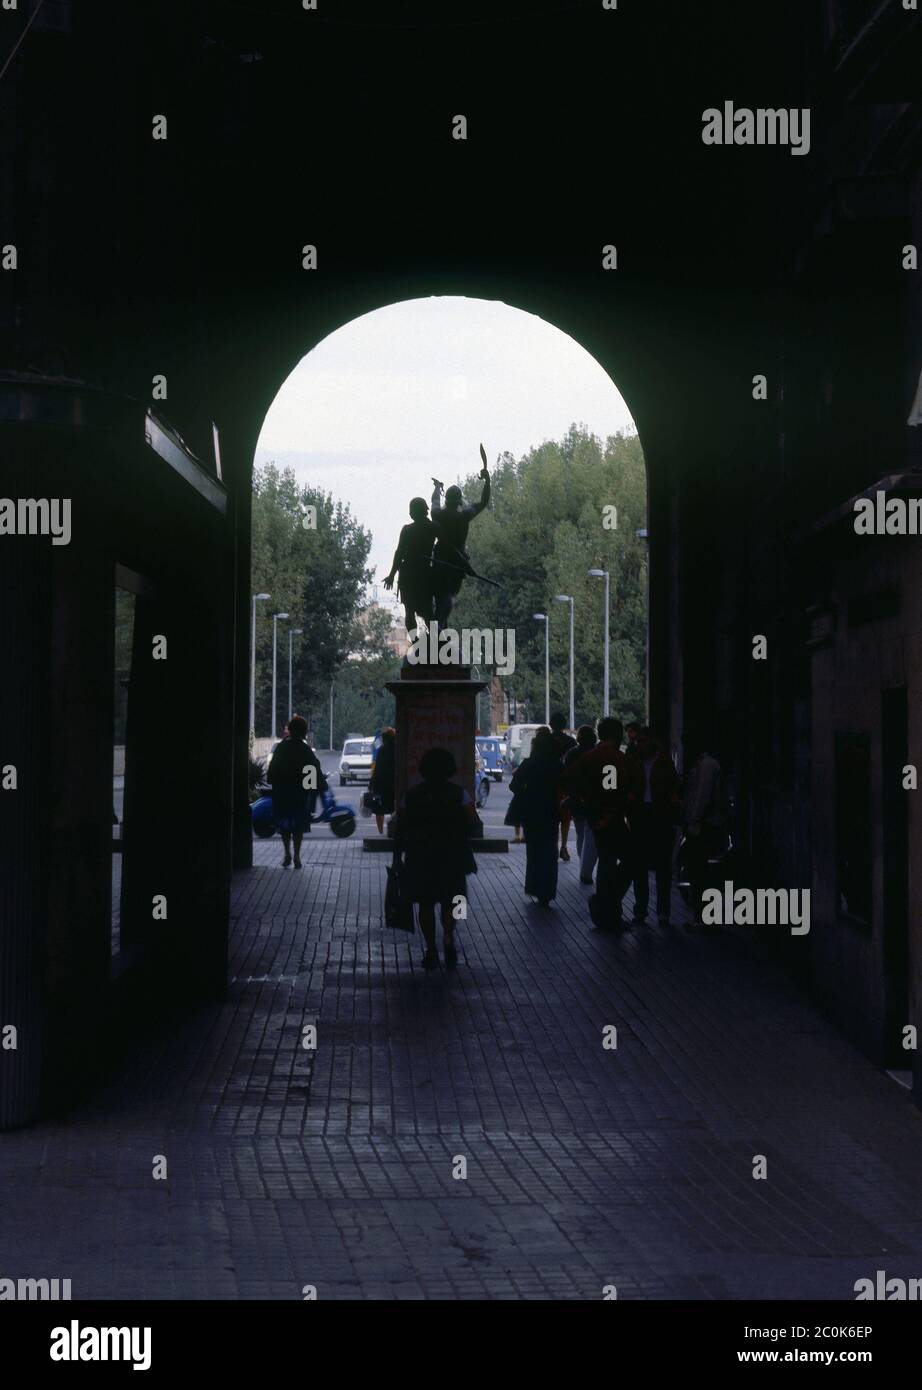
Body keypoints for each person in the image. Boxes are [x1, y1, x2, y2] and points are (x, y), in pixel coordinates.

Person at [394, 747, 477, 969]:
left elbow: (400, 828)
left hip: (421, 856)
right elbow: (473, 823)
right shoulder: (461, 794)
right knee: (456, 899)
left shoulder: (410, 796)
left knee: (425, 902)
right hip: (453, 855)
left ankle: (430, 948)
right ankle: (449, 933)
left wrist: (397, 858)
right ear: (450, 769)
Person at [561, 716, 641, 930]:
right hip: (611, 819)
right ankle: (608, 904)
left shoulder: (590, 757)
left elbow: (569, 778)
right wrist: (609, 810)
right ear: (617, 735)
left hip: (597, 819)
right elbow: (611, 790)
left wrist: (584, 801)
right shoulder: (613, 758)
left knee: (606, 862)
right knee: (630, 859)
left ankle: (607, 910)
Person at [626, 727, 681, 926]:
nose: (639, 745)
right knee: (640, 866)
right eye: (637, 742)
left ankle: (662, 911)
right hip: (641, 815)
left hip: (660, 816)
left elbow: (675, 789)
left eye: (642, 741)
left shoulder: (664, 763)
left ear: (652, 741)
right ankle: (641, 910)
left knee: (663, 867)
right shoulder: (635, 762)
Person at [430, 450, 491, 627]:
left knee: (440, 597)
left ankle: (439, 626)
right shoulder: (463, 516)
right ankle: (440, 627)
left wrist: (436, 488)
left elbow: (434, 501)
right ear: (459, 501)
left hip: (439, 561)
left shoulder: (437, 515)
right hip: (457, 565)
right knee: (449, 596)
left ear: (446, 500)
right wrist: (487, 481)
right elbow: (483, 502)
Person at [509, 726, 562, 906]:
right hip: (552, 812)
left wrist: (526, 792)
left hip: (531, 813)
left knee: (534, 852)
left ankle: (534, 887)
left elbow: (513, 786)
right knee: (550, 851)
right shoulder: (557, 766)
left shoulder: (529, 764)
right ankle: (547, 891)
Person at [266, 714, 327, 869]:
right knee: (298, 826)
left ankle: (287, 853)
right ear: (303, 732)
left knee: (285, 824)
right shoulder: (305, 749)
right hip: (300, 794)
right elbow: (313, 769)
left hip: (282, 793)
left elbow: (272, 771)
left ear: (290, 730)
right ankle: (297, 856)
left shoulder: (281, 747)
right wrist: (317, 787)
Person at [682, 731, 727, 925]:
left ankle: (706, 918)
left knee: (701, 873)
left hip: (704, 826)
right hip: (706, 824)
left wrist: (693, 820)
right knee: (702, 873)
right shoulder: (705, 762)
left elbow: (702, 795)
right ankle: (705, 917)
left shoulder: (706, 764)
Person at [382, 498, 437, 639]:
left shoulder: (407, 530)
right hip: (425, 574)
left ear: (413, 512)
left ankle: (417, 643)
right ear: (425, 511)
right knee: (427, 611)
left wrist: (392, 575)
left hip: (408, 575)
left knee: (410, 610)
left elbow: (399, 553)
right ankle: (436, 641)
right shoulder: (432, 528)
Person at [562, 724, 598, 884]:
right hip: (597, 801)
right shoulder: (599, 754)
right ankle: (587, 869)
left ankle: (583, 863)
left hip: (577, 800)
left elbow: (566, 776)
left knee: (581, 832)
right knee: (592, 835)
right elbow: (610, 782)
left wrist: (573, 794)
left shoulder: (572, 754)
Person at [548, 711, 577, 861]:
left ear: (551, 725)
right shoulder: (571, 742)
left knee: (551, 818)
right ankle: (563, 847)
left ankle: (552, 846)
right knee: (565, 819)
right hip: (565, 786)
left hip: (548, 786)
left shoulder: (546, 740)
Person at [368, 726, 396, 834]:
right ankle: (394, 830)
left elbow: (378, 769)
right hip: (394, 784)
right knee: (394, 807)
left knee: (379, 809)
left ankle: (380, 832)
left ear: (384, 739)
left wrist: (371, 784)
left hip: (381, 785)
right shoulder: (399, 749)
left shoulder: (382, 751)